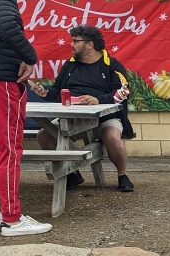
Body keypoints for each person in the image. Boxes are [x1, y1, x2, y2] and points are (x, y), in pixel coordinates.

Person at [29, 26, 135, 192]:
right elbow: (57, 92)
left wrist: (98, 100)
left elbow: (124, 92)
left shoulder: (112, 65)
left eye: (75, 41)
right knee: (44, 135)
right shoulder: (70, 66)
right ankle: (73, 174)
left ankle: (122, 175)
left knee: (113, 137)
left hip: (105, 118)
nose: (71, 44)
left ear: (89, 45)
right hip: (72, 118)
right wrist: (45, 92)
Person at [0, 0, 52, 236]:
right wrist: (30, 58)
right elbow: (7, 25)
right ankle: (12, 219)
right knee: (8, 149)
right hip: (3, 81)